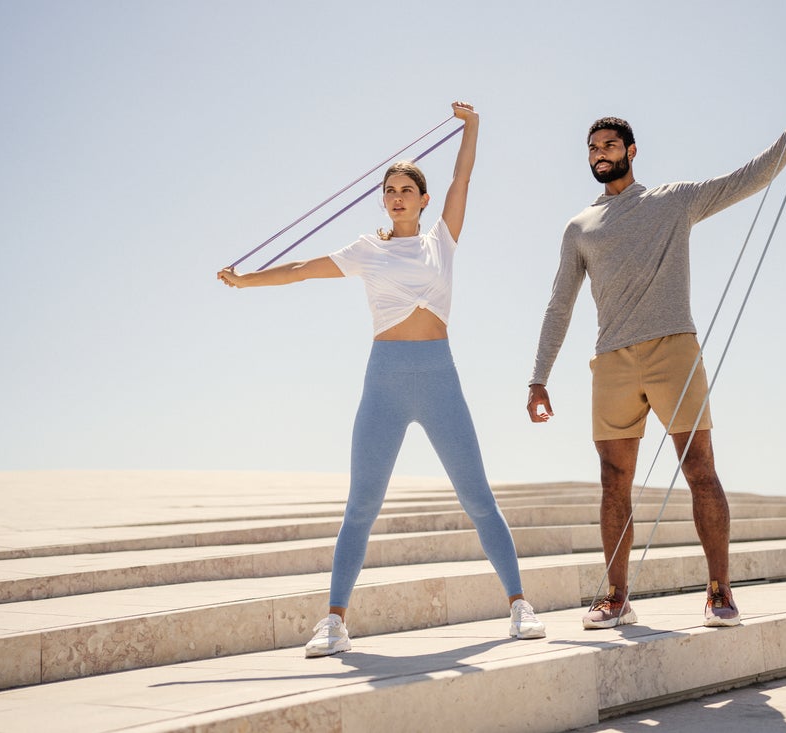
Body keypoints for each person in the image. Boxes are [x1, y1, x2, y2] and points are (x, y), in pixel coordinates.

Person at [219, 101, 546, 658]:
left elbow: (463, 177)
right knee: (361, 505)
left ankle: (519, 605)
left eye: (406, 190)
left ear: (422, 199)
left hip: (440, 377)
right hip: (386, 382)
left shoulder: (441, 238)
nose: (396, 197)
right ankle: (335, 621)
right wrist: (247, 282)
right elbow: (302, 270)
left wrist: (473, 128)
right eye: (389, 190)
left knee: (478, 497)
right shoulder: (367, 251)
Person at [526, 94, 786, 630]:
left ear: (631, 151)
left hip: (673, 350)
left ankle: (719, 590)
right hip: (611, 360)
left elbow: (747, 178)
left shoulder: (673, 201)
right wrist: (539, 378)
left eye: (609, 145)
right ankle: (615, 596)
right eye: (592, 147)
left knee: (700, 471)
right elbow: (559, 303)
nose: (600, 153)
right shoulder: (579, 227)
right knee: (613, 480)